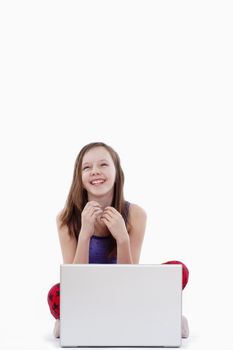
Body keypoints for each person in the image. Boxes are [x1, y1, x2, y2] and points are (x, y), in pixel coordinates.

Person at [47, 142, 189, 339]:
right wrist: (85, 234)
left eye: (103, 164)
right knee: (57, 293)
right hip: (87, 295)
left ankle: (170, 317)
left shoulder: (136, 214)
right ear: (79, 177)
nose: (95, 171)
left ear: (117, 172)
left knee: (177, 269)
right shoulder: (66, 219)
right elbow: (74, 283)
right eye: (87, 167)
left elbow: (130, 280)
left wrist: (122, 239)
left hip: (126, 295)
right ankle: (76, 319)